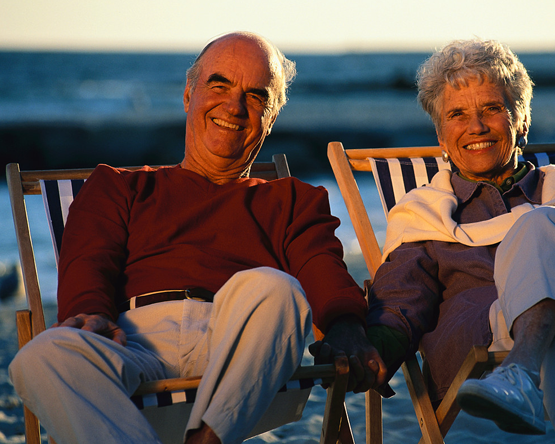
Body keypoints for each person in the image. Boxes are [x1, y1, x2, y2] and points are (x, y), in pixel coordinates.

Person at [8, 31, 385, 444]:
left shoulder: (292, 199)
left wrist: (347, 324)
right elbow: (89, 262)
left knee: (277, 289)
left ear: (271, 118)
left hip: (241, 351)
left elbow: (322, 269)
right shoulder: (117, 187)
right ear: (189, 95)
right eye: (218, 85)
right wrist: (89, 312)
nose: (234, 106)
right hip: (134, 345)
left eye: (256, 97)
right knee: (39, 357)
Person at [364, 38, 555, 444]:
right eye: (457, 114)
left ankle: (519, 372)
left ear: (521, 121)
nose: (476, 127)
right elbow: (402, 298)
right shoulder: (426, 216)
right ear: (440, 133)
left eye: (492, 108)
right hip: (484, 339)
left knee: (539, 225)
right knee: (543, 234)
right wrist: (375, 348)